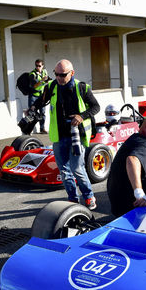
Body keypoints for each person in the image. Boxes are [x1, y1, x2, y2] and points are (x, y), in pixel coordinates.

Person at [30, 59, 99, 208]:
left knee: (77, 168)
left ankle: (89, 196)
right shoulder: (52, 86)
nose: (60, 78)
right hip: (59, 136)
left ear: (72, 73)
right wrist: (33, 108)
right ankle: (73, 199)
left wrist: (81, 116)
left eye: (63, 75)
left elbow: (96, 107)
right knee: (64, 171)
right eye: (57, 74)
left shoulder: (82, 88)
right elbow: (42, 101)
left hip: (77, 135)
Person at [107, 115, 146, 217]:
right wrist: (139, 194)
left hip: (118, 204)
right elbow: (132, 160)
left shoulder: (136, 139)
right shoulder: (144, 145)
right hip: (130, 206)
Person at [29, 59, 49, 134]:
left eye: (39, 66)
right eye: (36, 66)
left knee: (42, 113)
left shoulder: (45, 72)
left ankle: (42, 128)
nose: (38, 67)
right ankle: (29, 129)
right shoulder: (32, 74)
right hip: (33, 96)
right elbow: (34, 86)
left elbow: (47, 81)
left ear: (42, 66)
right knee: (32, 113)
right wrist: (41, 80)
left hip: (42, 95)